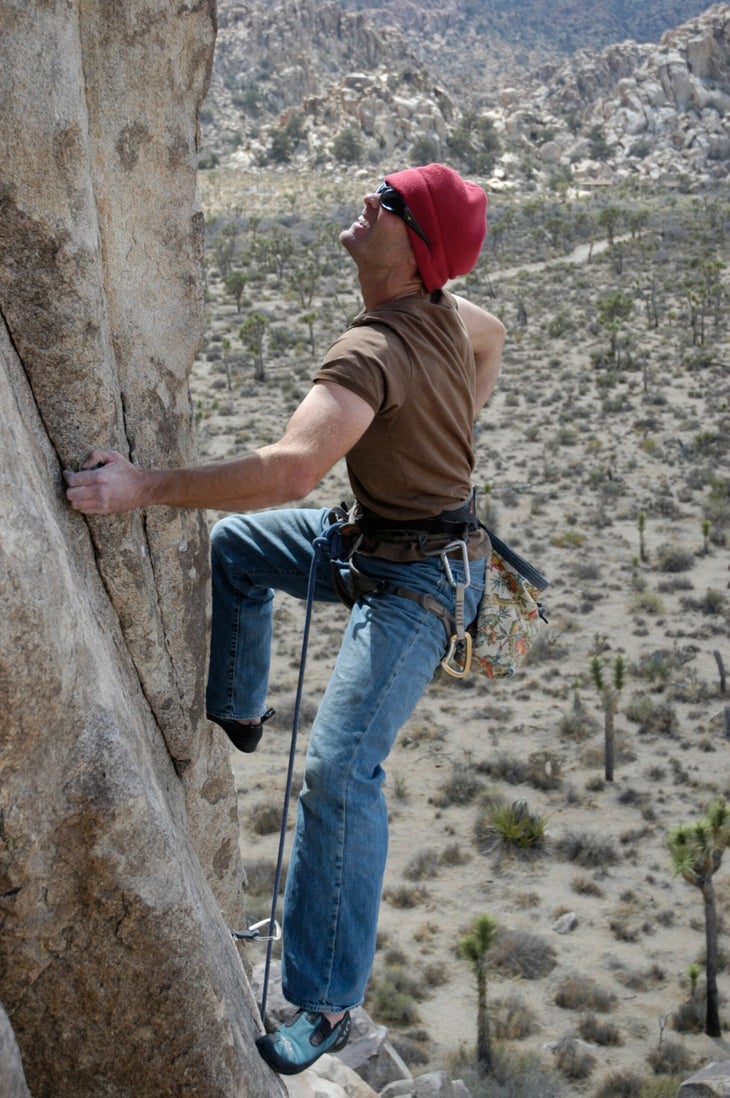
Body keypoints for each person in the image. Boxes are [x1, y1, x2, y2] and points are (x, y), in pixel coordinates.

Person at [64, 163, 505, 1075]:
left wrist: (140, 487)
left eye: (385, 204)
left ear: (412, 247)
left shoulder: (374, 352)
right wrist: (441, 431)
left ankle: (329, 1004)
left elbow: (289, 471)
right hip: (381, 540)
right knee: (239, 552)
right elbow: (489, 335)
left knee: (343, 771)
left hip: (420, 581)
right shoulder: (449, 317)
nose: (366, 203)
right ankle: (240, 707)